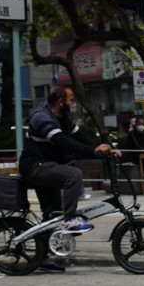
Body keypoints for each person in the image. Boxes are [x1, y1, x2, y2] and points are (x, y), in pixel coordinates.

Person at [19, 85, 121, 234]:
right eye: (71, 100)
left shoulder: (63, 117)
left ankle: (45, 247)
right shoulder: (42, 118)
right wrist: (93, 150)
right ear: (61, 101)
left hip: (48, 165)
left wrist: (103, 149)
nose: (73, 104)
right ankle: (70, 219)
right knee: (73, 175)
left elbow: (79, 136)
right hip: (35, 167)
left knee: (53, 214)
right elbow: (61, 141)